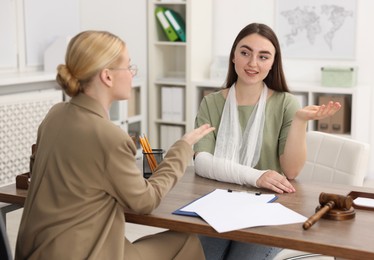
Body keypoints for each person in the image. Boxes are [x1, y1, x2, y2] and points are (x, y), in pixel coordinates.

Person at [15, 30, 214, 260]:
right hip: (85, 254)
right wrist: (183, 147)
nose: (132, 74)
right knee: (185, 241)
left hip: (37, 252)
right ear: (107, 76)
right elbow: (146, 201)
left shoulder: (55, 115)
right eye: (128, 67)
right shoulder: (110, 137)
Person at [193, 23, 341, 260]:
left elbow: (291, 171)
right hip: (220, 206)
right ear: (233, 56)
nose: (253, 63)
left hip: (271, 209)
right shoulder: (211, 103)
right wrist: (255, 176)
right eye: (245, 53)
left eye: (263, 56)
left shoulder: (285, 103)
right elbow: (202, 162)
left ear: (273, 63)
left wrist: (300, 121)